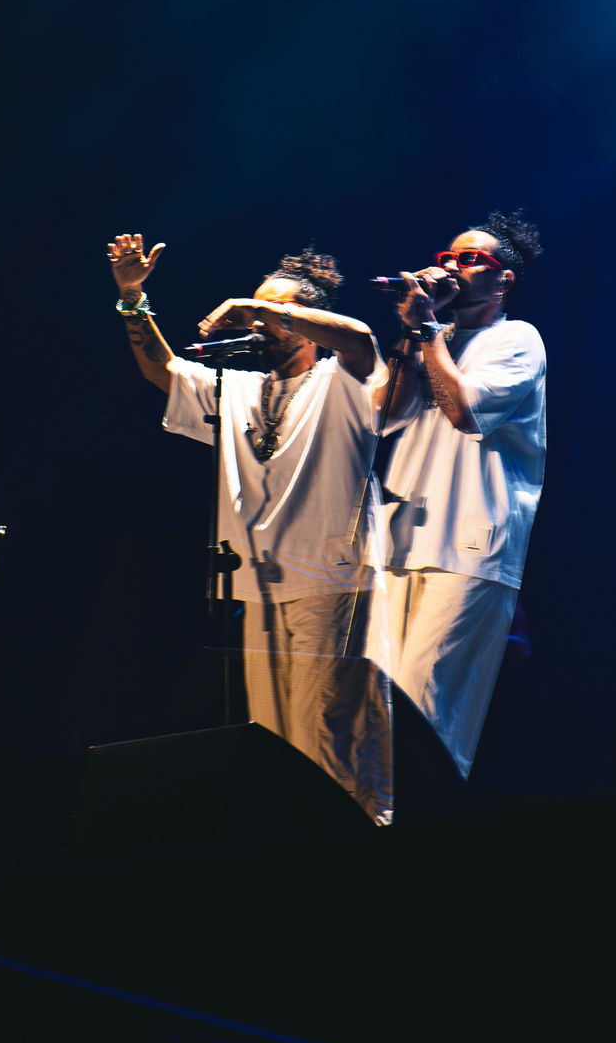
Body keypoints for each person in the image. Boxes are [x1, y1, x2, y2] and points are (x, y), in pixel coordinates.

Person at [108, 231, 392, 823]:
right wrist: (133, 298)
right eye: (258, 310)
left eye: (277, 312)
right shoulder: (236, 388)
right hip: (260, 590)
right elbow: (163, 369)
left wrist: (254, 305)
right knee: (277, 746)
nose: (260, 321)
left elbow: (361, 338)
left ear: (308, 322)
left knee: (332, 745)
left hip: (333, 586)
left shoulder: (344, 380)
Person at [379, 210, 546, 778]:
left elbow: (467, 412)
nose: (452, 265)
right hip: (402, 543)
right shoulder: (434, 337)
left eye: (471, 258)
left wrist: (427, 329)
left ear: (504, 280)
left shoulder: (518, 338)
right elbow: (385, 414)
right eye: (448, 256)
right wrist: (413, 330)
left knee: (426, 709)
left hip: (470, 551)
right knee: (379, 708)